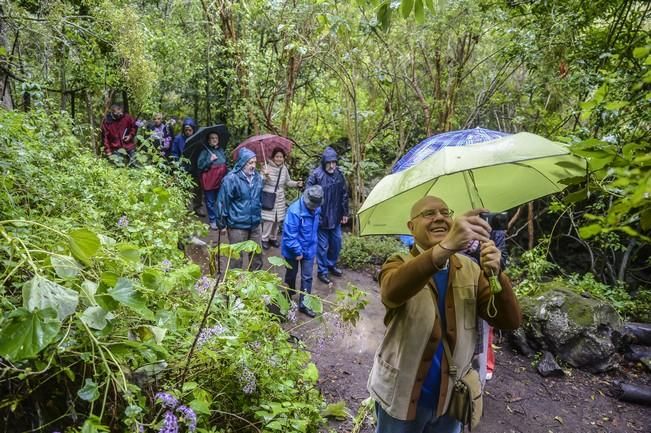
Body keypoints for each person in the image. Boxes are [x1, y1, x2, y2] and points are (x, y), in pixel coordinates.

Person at [367, 196, 522, 433]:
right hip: (400, 396)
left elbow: (509, 321)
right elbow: (392, 292)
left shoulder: (469, 268)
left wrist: (497, 274)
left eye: (445, 212)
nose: (439, 217)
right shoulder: (398, 263)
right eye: (429, 214)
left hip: (450, 400)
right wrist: (446, 247)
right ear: (411, 227)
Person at [464, 229, 508, 382]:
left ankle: (482, 371)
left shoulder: (495, 232)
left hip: (483, 289)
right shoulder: (458, 227)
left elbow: (504, 262)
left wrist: (484, 253)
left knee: (485, 332)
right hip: (460, 289)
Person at [306, 146, 349, 285]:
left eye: (334, 162)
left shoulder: (339, 174)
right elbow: (308, 194)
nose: (332, 166)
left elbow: (344, 194)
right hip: (322, 217)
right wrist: (312, 212)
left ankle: (331, 265)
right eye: (329, 163)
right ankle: (322, 271)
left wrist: (345, 213)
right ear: (324, 162)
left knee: (336, 243)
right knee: (322, 246)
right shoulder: (316, 175)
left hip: (336, 216)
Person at [217, 148, 263, 270]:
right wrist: (221, 225)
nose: (253, 166)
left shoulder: (258, 177)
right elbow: (222, 202)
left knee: (257, 257)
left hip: (255, 224)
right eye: (250, 163)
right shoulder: (231, 179)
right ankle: (234, 285)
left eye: (255, 162)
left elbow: (259, 199)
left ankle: (255, 283)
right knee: (236, 259)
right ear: (242, 162)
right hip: (237, 225)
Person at [281, 185, 323, 318]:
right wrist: (298, 251)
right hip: (293, 249)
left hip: (310, 248)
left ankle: (304, 304)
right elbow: (289, 236)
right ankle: (287, 298)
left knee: (307, 277)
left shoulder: (317, 207)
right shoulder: (294, 211)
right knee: (291, 275)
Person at [260, 147, 303, 249]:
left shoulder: (284, 169)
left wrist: (297, 183)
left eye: (281, 157)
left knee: (277, 219)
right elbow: (259, 181)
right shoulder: (266, 167)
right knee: (268, 220)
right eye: (277, 156)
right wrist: (264, 175)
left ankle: (273, 238)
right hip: (269, 195)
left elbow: (287, 182)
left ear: (284, 158)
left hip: (280, 196)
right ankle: (264, 239)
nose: (279, 159)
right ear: (273, 157)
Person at [170, 118, 204, 217]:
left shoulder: (198, 139)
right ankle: (185, 207)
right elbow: (174, 153)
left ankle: (198, 207)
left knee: (198, 187)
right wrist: (177, 162)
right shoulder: (178, 139)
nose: (188, 132)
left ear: (193, 129)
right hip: (183, 166)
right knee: (184, 188)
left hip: (195, 166)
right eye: (186, 130)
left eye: (190, 130)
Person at [197, 132, 228, 230]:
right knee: (210, 201)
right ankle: (213, 220)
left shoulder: (221, 150)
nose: (214, 140)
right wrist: (209, 160)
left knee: (221, 200)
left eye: (216, 138)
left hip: (221, 179)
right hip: (209, 179)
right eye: (212, 138)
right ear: (208, 140)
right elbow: (200, 166)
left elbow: (224, 163)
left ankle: (221, 219)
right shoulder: (204, 152)